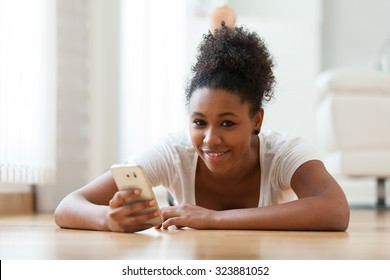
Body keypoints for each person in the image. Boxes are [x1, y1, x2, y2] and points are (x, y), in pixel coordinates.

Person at [54, 22, 350, 233]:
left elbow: (335, 210)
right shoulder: (173, 152)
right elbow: (68, 206)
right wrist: (109, 219)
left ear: (256, 120)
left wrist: (214, 219)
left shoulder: (284, 153)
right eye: (199, 122)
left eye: (227, 123)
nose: (210, 139)